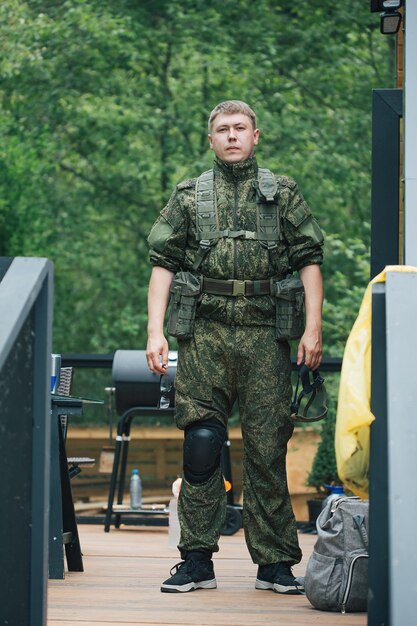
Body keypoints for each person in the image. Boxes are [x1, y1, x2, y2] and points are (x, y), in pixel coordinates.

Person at [146, 100, 324, 594]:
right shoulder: (187, 196)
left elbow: (310, 259)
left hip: (267, 336)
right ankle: (197, 560)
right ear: (211, 139)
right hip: (204, 333)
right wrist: (154, 332)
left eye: (239, 128)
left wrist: (313, 328)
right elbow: (162, 263)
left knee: (268, 448)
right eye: (222, 129)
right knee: (201, 445)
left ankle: (274, 563)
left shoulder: (282, 192)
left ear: (255, 135)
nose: (231, 136)